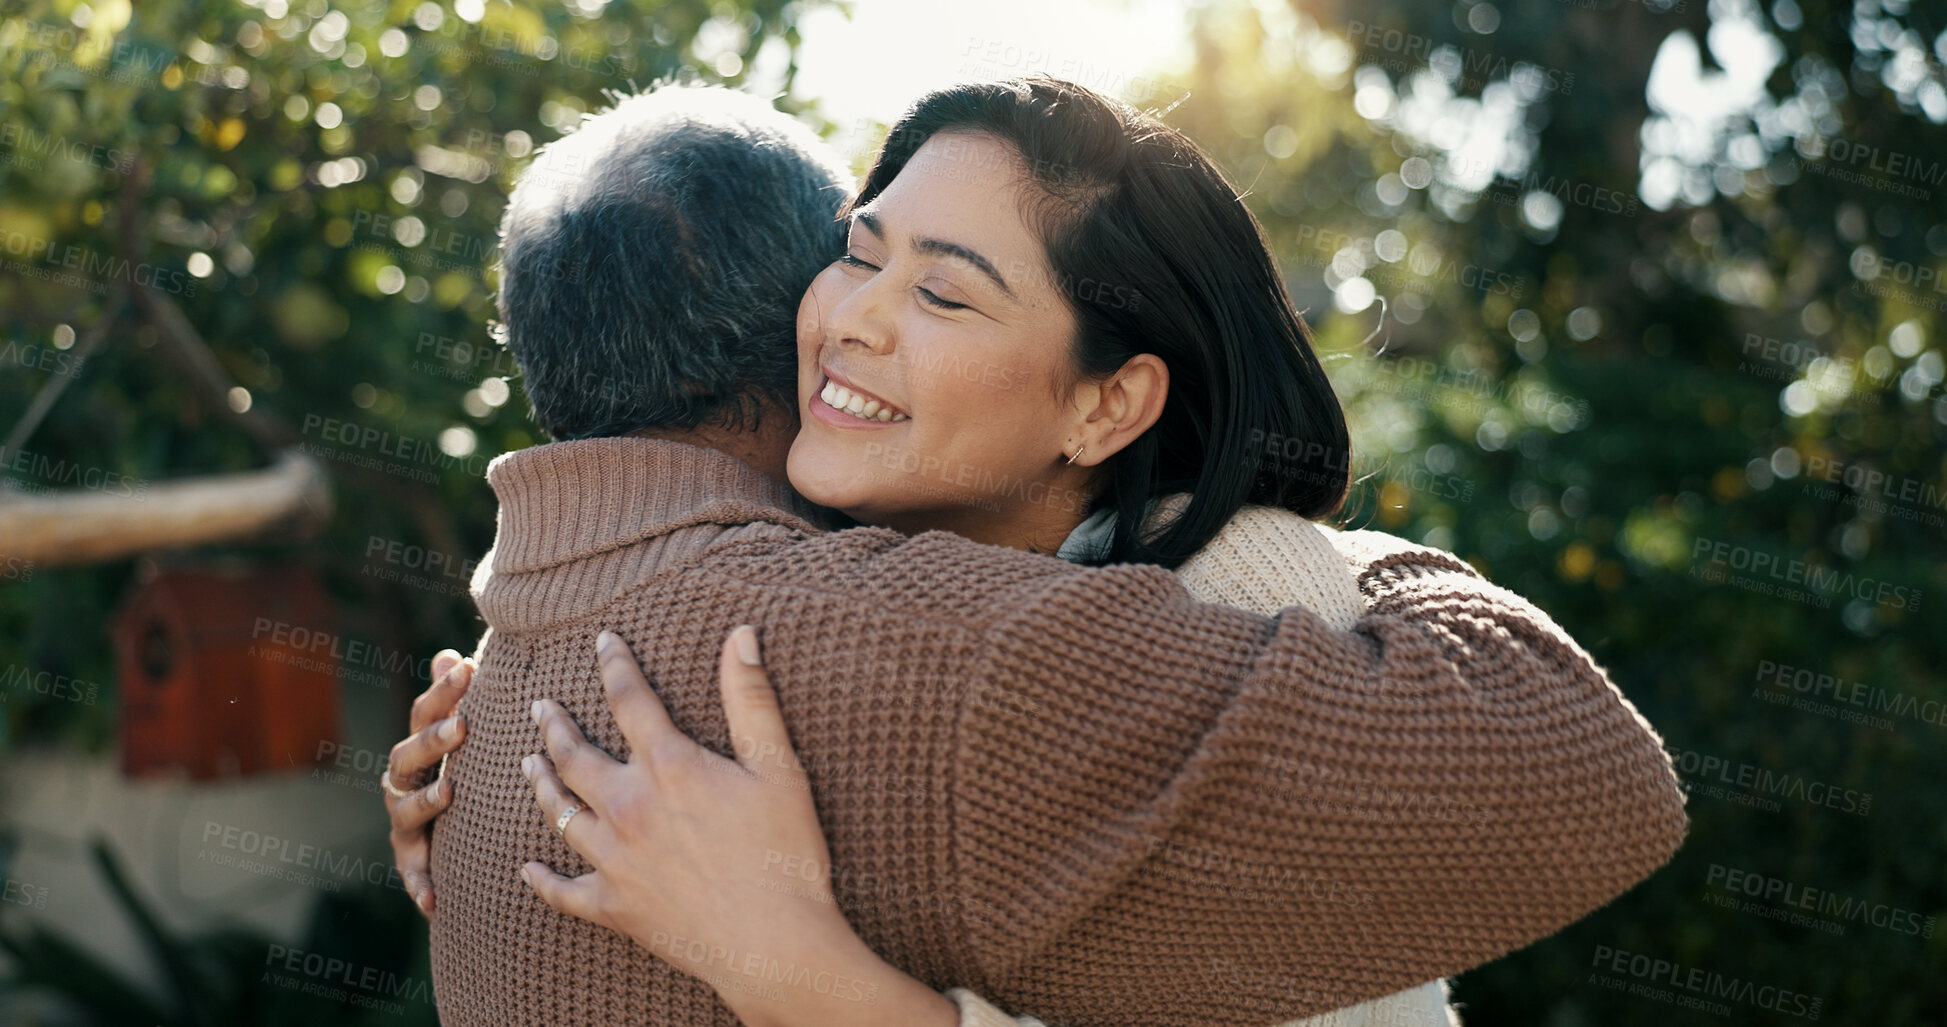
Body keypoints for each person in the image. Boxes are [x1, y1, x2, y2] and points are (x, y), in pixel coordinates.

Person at [382, 79, 1688, 1027]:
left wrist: (1300, 551)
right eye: (858, 254)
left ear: (1108, 402)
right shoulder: (843, 634)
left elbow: (1594, 780)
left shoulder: (527, 663)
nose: (853, 324)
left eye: (945, 291)